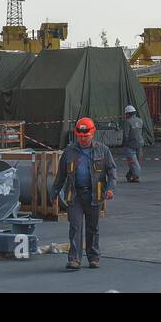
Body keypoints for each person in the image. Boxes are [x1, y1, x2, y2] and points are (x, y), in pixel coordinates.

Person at [49, 116, 116, 270]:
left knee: (93, 228)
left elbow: (112, 170)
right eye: (80, 136)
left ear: (93, 133)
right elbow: (61, 175)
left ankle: (93, 257)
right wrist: (53, 194)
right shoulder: (69, 152)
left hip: (95, 194)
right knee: (75, 226)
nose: (83, 139)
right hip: (75, 195)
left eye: (86, 136)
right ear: (76, 135)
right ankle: (74, 259)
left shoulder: (103, 150)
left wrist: (111, 188)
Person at [120, 104, 144, 182]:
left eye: (126, 114)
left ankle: (136, 177)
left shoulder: (127, 122)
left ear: (128, 114)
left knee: (133, 162)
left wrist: (123, 144)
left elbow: (126, 135)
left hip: (130, 145)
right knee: (135, 161)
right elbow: (141, 132)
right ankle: (130, 174)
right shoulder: (140, 121)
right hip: (140, 144)